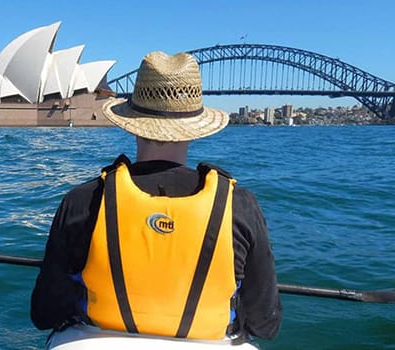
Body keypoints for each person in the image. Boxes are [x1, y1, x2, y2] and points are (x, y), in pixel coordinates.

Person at [31, 51, 282, 341]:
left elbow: (44, 313)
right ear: (196, 128)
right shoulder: (240, 205)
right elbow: (266, 323)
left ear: (131, 122)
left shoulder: (82, 201)